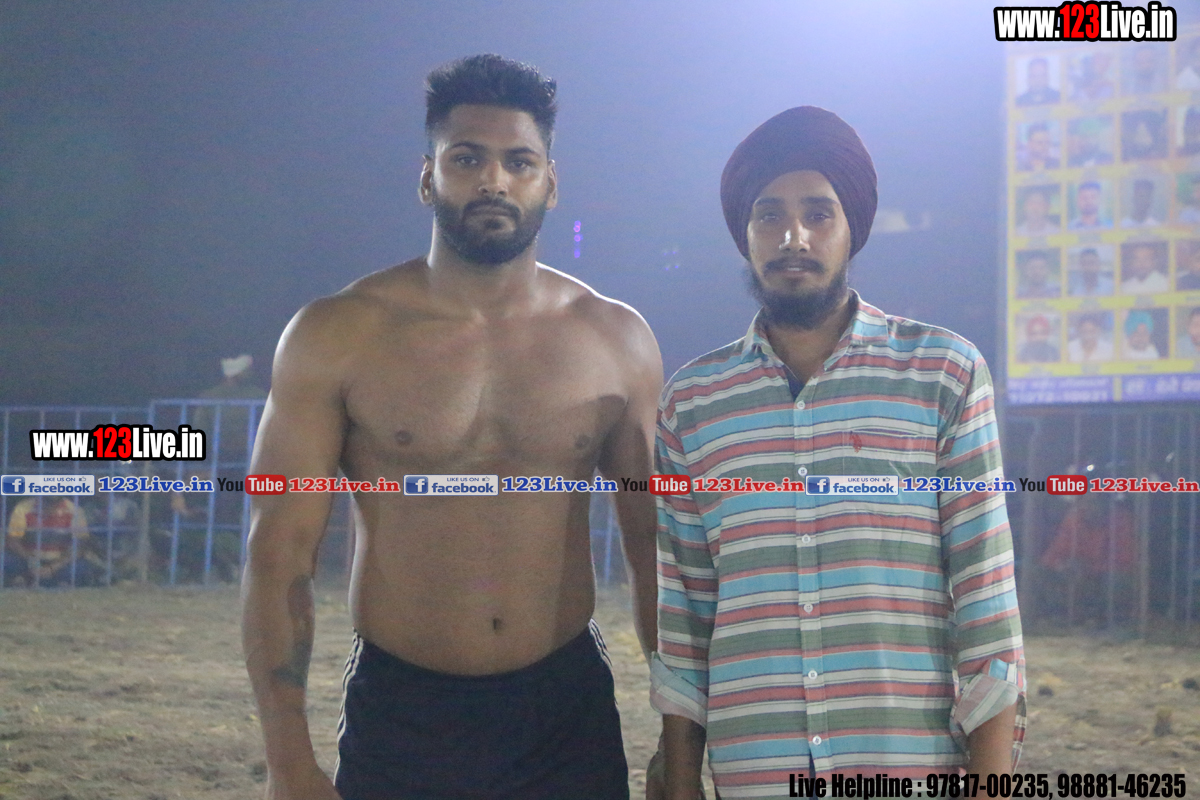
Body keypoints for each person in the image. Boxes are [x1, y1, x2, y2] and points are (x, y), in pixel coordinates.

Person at [240, 55, 662, 800]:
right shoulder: (338, 334)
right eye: (467, 158)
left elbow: (655, 552)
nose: (494, 180)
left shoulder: (615, 340)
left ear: (550, 182)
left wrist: (678, 742)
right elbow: (278, 555)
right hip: (403, 714)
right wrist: (287, 764)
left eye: (519, 162)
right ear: (427, 176)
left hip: (564, 713)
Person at [653, 106, 1025, 799]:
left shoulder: (942, 374)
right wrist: (677, 776)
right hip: (756, 776)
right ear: (744, 234)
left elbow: (985, 594)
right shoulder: (692, 403)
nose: (793, 237)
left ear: (853, 227)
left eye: (818, 213)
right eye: (768, 215)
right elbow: (687, 609)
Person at [5, 496, 98, 586]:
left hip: (60, 563)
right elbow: (13, 541)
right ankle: (36, 579)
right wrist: (31, 561)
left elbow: (80, 547)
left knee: (82, 567)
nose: (48, 508)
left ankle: (27, 579)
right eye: (45, 502)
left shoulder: (74, 511)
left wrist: (53, 568)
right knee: (5, 559)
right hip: (28, 559)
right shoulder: (23, 507)